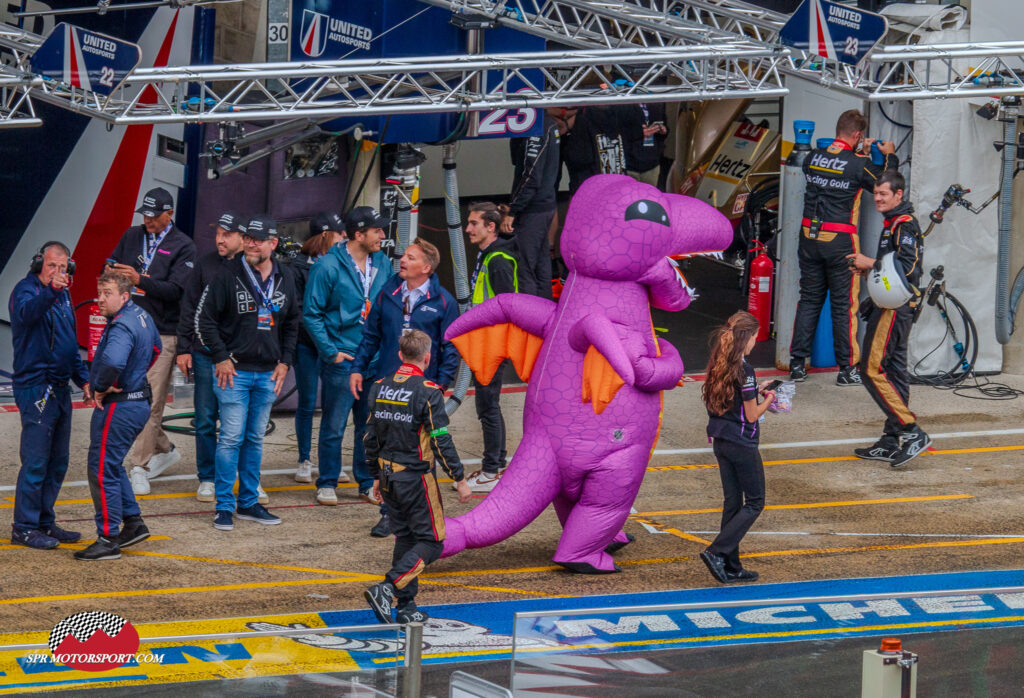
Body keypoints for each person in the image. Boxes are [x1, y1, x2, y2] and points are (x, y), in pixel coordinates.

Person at [195, 215, 299, 531]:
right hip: (234, 373)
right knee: (230, 438)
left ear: (273, 244)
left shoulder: (286, 276)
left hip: (268, 373)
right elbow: (206, 321)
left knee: (254, 438)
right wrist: (221, 357)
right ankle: (224, 505)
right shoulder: (228, 274)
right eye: (249, 239)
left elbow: (293, 321)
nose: (252, 244)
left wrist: (285, 362)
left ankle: (249, 503)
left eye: (258, 239)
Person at [350, 237, 460, 536]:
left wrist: (441, 385)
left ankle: (425, 513)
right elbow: (370, 335)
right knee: (387, 448)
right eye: (404, 256)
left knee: (423, 449)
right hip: (389, 384)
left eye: (410, 257)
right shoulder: (389, 292)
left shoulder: (444, 301)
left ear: (426, 267)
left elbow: (451, 348)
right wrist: (358, 368)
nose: (403, 260)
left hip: (423, 388)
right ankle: (389, 513)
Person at [363, 331, 472, 625]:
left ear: (400, 355)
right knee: (433, 541)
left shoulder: (379, 387)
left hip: (387, 475)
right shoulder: (428, 391)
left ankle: (406, 605)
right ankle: (387, 588)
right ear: (427, 358)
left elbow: (370, 437)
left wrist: (374, 474)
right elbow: (440, 440)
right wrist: (458, 478)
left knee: (406, 537)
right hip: (415, 478)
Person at [789, 110, 898, 386]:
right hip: (841, 243)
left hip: (808, 237)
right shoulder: (858, 164)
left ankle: (796, 365)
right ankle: (847, 369)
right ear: (858, 135)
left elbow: (828, 162)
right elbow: (882, 184)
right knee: (843, 306)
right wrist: (889, 155)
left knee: (809, 300)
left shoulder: (813, 157)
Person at [303, 206, 393, 508]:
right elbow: (311, 314)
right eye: (376, 230)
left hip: (373, 358)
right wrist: (330, 352)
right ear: (359, 234)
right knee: (333, 425)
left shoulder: (383, 263)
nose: (382, 235)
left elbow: (389, 307)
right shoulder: (327, 266)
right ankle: (327, 481)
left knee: (369, 426)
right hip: (342, 359)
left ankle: (366, 481)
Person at [108, 186, 196, 493]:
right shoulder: (132, 236)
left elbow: (176, 292)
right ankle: (165, 450)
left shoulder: (184, 246)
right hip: (130, 327)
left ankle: (139, 465)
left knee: (149, 400)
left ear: (169, 214)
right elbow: (112, 264)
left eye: (154, 215)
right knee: (128, 394)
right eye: (145, 214)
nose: (148, 220)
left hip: (162, 332)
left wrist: (139, 280)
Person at [8, 242, 93, 550]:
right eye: (51, 266)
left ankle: (44, 521)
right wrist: (53, 291)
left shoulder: (62, 295)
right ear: (38, 264)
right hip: (35, 386)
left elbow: (69, 343)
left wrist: (83, 380)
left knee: (58, 461)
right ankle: (25, 526)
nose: (58, 273)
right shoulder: (25, 291)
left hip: (59, 387)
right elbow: (28, 315)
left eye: (63, 267)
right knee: (35, 460)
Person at [76, 270, 162, 561]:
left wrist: (101, 387)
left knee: (100, 469)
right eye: (100, 292)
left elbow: (112, 360)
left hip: (120, 405)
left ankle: (107, 538)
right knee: (111, 465)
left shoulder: (122, 325)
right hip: (137, 401)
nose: (100, 299)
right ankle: (133, 523)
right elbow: (156, 349)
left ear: (124, 296)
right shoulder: (141, 314)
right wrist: (134, 375)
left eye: (107, 294)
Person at [847, 171, 930, 468]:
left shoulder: (905, 226)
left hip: (895, 310)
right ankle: (890, 439)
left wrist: (871, 263)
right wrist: (870, 270)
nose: (878, 198)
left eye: (884, 194)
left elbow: (909, 270)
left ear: (899, 194)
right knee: (895, 372)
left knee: (870, 368)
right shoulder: (893, 224)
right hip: (893, 306)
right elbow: (893, 269)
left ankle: (911, 431)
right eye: (876, 193)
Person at [175, 211, 248, 504]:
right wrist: (183, 348)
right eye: (218, 233)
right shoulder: (205, 264)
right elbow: (188, 306)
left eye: (226, 234)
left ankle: (244, 477)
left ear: (243, 237)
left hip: (242, 357)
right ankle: (207, 477)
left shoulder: (253, 266)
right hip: (205, 354)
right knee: (205, 418)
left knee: (242, 421)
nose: (219, 239)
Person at [699, 311, 774, 584]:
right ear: (747, 338)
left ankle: (731, 565)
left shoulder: (719, 363)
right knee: (755, 502)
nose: (755, 342)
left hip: (721, 440)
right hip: (742, 442)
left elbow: (734, 400)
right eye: (754, 337)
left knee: (733, 502)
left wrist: (756, 391)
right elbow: (752, 415)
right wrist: (770, 398)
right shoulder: (746, 370)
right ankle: (717, 552)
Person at [464, 202, 518, 492]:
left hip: (491, 343)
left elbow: (507, 305)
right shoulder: (488, 255)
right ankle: (496, 464)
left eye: (474, 223)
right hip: (486, 341)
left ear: (491, 227)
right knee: (489, 405)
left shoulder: (497, 260)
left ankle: (491, 470)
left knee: (487, 406)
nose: (468, 228)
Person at [291, 211, 349, 486]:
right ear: (326, 235)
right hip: (307, 344)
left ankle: (331, 461)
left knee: (333, 405)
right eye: (340, 234)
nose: (344, 239)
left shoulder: (343, 264)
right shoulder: (297, 267)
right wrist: (320, 338)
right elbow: (300, 311)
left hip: (334, 345)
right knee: (307, 402)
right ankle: (304, 458)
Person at [503, 111, 560, 299]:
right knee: (542, 263)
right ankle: (545, 312)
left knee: (524, 266)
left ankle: (530, 318)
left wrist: (514, 209)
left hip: (533, 208)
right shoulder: (549, 124)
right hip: (545, 204)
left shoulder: (536, 129)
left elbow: (531, 176)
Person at [617, 102, 669, 187]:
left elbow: (665, 126)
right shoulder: (623, 103)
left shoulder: (657, 103)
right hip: (630, 162)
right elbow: (618, 131)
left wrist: (663, 130)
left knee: (650, 196)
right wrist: (641, 133)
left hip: (652, 162)